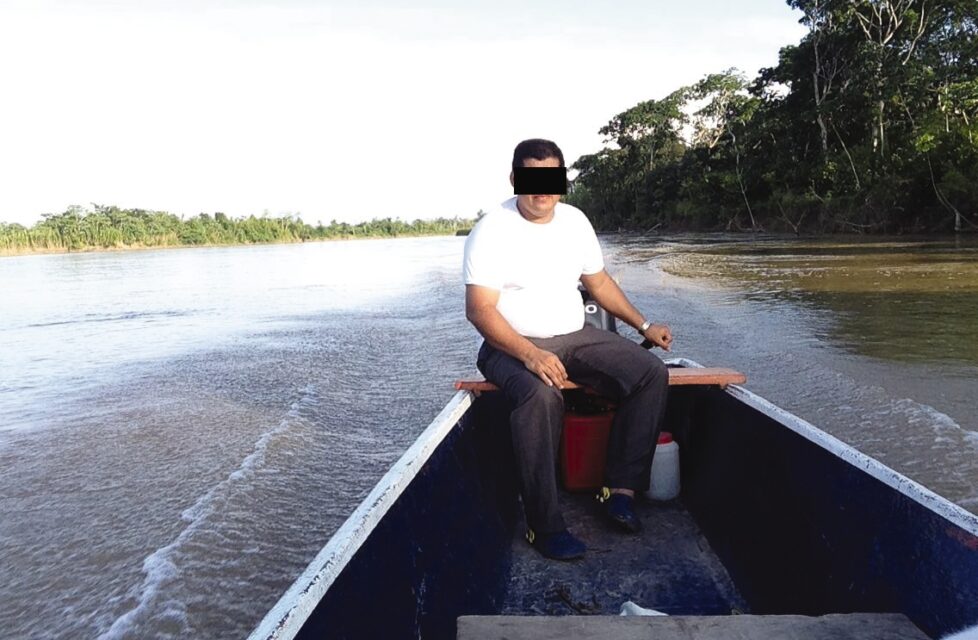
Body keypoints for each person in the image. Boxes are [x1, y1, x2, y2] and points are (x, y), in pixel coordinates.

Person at [463, 138, 673, 561]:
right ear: (514, 179)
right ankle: (544, 526)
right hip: (508, 345)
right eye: (531, 178)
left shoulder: (575, 222)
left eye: (550, 178)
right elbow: (480, 310)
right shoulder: (491, 230)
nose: (542, 190)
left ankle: (620, 490)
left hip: (574, 336)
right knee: (541, 396)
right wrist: (530, 354)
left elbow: (598, 284)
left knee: (650, 372)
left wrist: (644, 324)